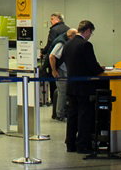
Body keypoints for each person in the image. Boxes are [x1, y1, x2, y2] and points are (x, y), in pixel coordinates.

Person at [60, 20, 104, 154]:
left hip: (71, 85)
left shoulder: (68, 44)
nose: (90, 35)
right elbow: (93, 67)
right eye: (91, 32)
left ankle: (70, 144)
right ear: (88, 30)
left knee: (72, 116)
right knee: (84, 116)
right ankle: (82, 145)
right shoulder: (86, 45)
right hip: (84, 87)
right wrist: (100, 69)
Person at [49, 28, 77, 121]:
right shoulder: (61, 43)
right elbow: (52, 56)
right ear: (71, 36)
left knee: (62, 91)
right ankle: (59, 114)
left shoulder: (64, 41)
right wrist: (54, 70)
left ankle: (60, 112)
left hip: (64, 70)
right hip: (60, 71)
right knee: (62, 92)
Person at [41, 13, 69, 107]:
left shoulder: (54, 30)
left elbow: (50, 44)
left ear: (58, 19)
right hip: (65, 60)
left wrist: (43, 51)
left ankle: (54, 102)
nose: (50, 21)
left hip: (55, 59)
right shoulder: (67, 28)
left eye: (52, 19)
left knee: (53, 81)